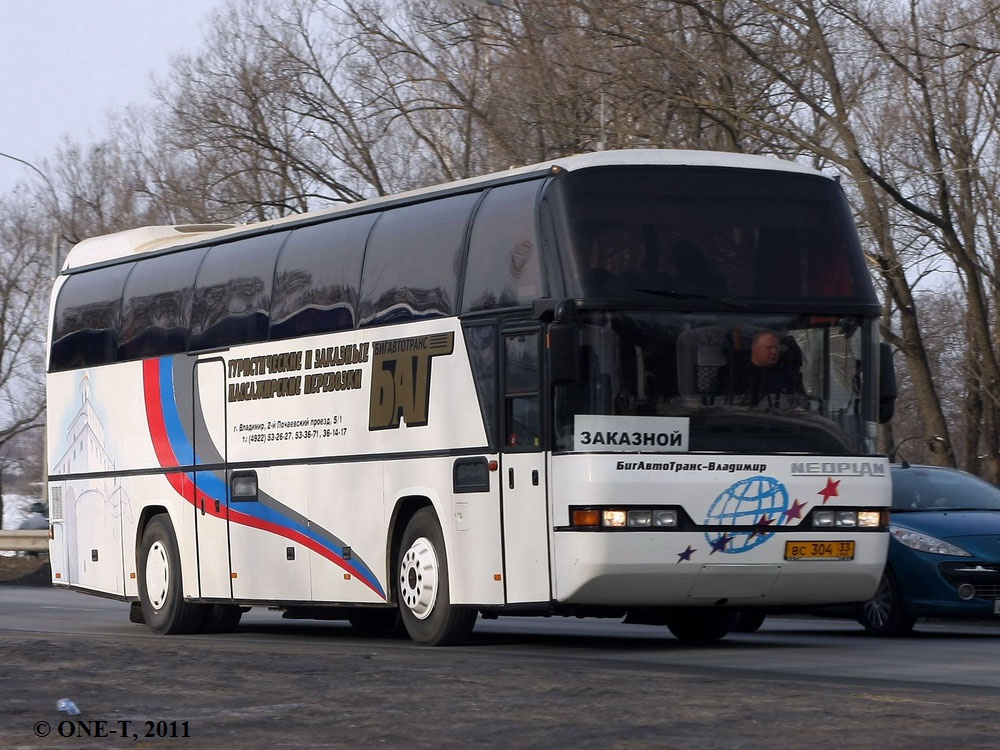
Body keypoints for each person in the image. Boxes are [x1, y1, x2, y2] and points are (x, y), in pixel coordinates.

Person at [725, 329, 804, 407]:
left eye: (776, 348)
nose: (774, 352)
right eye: (768, 347)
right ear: (754, 348)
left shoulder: (787, 377)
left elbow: (801, 404)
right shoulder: (734, 375)